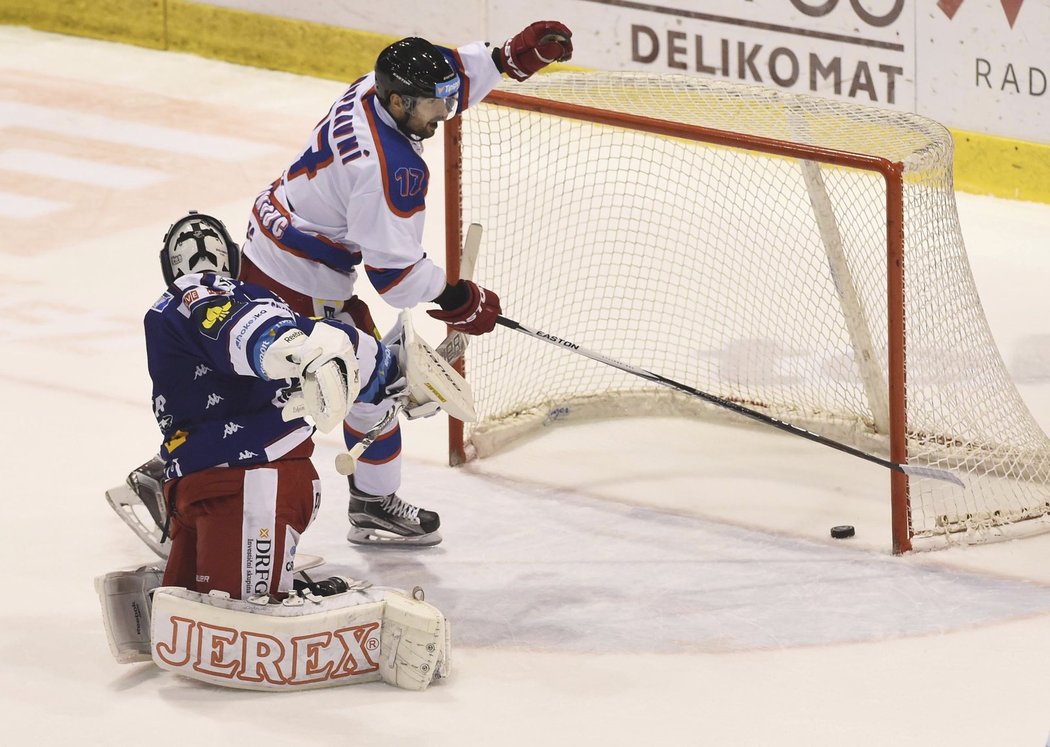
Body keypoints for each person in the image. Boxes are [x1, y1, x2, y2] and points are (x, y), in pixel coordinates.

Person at [238, 22, 573, 547]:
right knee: (337, 387)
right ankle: (178, 474)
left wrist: (511, 58)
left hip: (275, 241)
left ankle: (372, 502)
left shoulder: (372, 88)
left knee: (343, 385)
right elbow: (394, 278)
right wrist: (458, 298)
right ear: (398, 102)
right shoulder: (388, 170)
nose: (444, 113)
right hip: (298, 280)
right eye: (432, 108)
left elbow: (451, 78)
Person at [144, 210, 401, 599]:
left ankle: (305, 598)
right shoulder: (267, 299)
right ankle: (295, 590)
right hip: (218, 480)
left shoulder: (193, 294)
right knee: (190, 605)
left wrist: (283, 346)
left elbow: (245, 329)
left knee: (236, 619)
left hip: (246, 481)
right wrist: (393, 369)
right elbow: (333, 341)